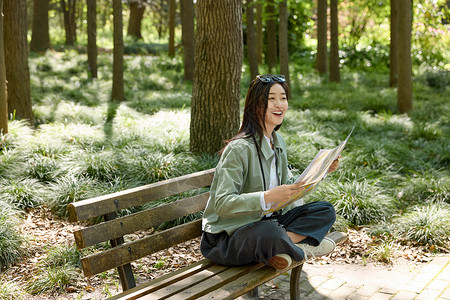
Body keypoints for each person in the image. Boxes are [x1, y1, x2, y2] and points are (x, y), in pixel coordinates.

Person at [200, 74, 338, 270]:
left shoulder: (277, 141)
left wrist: (322, 171)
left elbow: (289, 188)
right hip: (230, 236)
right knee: (268, 232)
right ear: (256, 105)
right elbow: (222, 203)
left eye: (283, 98)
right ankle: (296, 248)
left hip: (269, 222)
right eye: (271, 99)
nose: (279, 104)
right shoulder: (239, 148)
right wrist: (265, 198)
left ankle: (280, 248)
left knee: (324, 210)